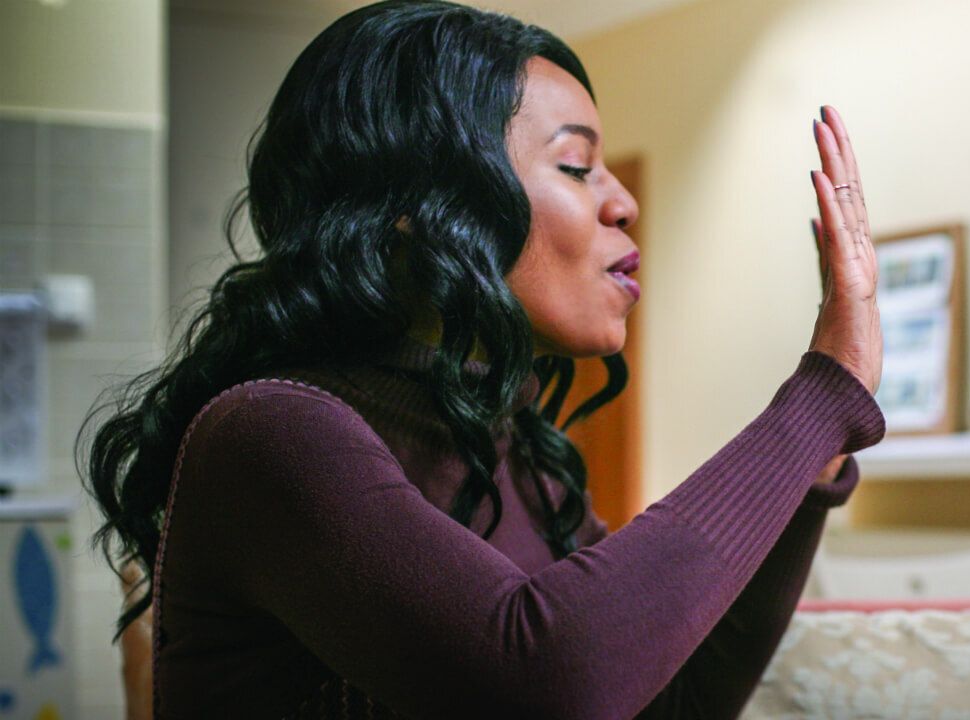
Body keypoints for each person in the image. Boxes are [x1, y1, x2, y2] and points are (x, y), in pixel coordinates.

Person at [81, 1, 883, 717]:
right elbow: (546, 683)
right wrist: (819, 399)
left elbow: (680, 707)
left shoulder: (524, 456)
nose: (623, 201)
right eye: (575, 165)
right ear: (415, 208)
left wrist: (814, 462)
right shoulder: (270, 434)